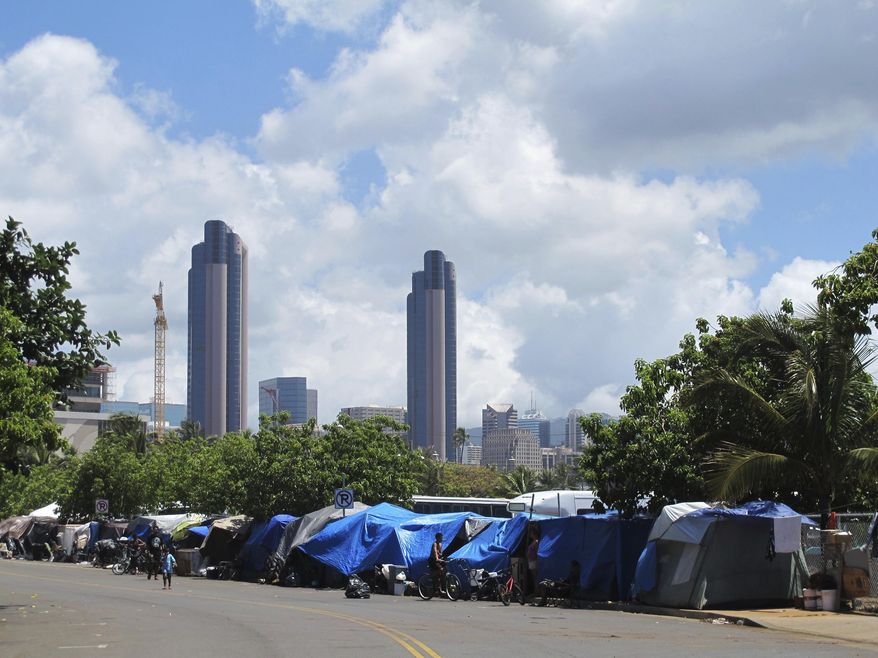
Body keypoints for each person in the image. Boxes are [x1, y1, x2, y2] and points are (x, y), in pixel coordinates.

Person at [526, 527, 540, 596]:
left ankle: (537, 591)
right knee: (533, 576)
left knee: (535, 577)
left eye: (532, 533)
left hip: (534, 561)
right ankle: (536, 590)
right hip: (531, 560)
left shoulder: (536, 542)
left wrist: (537, 562)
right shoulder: (533, 542)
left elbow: (537, 552)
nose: (530, 534)